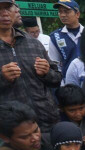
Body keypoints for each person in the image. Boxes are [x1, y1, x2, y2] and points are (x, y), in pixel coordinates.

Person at [0, 0, 61, 136]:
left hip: (47, 124)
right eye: (0, 9)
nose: (4, 13)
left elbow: (56, 78)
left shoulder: (33, 43)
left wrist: (46, 73)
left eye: (7, 8)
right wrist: (2, 78)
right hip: (13, 132)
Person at [49, 0, 83, 81]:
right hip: (68, 82)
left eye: (66, 11)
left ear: (77, 14)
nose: (63, 15)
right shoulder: (55, 36)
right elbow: (54, 64)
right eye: (60, 12)